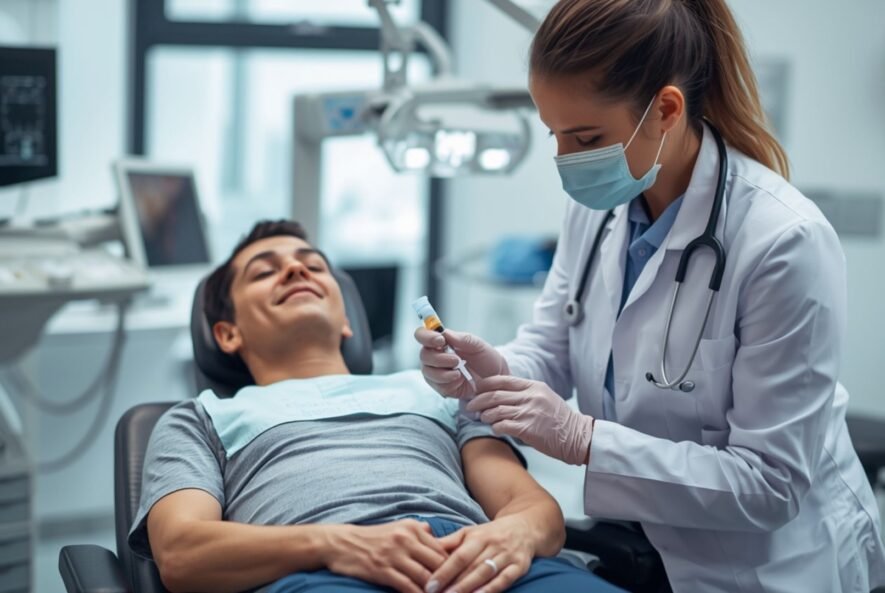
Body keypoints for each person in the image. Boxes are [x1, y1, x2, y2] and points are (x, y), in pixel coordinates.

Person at [415, 1, 885, 591]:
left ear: (665, 109)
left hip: (760, 567)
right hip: (640, 546)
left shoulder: (784, 241)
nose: (565, 159)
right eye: (554, 133)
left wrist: (584, 440)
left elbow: (769, 486)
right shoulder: (599, 212)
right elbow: (556, 342)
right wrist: (493, 369)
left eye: (586, 136)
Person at [129, 220, 622, 593]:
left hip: (477, 562)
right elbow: (181, 552)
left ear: (346, 318)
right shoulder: (201, 418)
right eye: (265, 272)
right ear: (227, 333)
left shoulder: (438, 393)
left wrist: (513, 534)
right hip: (319, 570)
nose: (297, 269)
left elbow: (533, 509)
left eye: (313, 265)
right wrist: (337, 543)